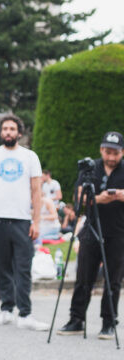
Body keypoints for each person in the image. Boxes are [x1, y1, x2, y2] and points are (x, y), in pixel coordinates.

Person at [0, 115, 49, 331]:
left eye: (12, 129)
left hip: (22, 220)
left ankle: (25, 314)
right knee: (1, 267)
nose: (8, 132)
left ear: (19, 133)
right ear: (1, 132)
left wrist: (36, 221)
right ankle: (6, 310)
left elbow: (37, 191)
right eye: (5, 128)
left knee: (23, 268)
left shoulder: (30, 157)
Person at [57, 131, 124, 340]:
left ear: (122, 152)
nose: (111, 157)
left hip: (119, 232)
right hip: (92, 229)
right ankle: (76, 319)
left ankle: (108, 322)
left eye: (115, 153)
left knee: (113, 280)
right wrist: (99, 199)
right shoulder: (90, 168)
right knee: (83, 277)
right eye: (107, 152)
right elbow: (79, 198)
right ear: (101, 150)